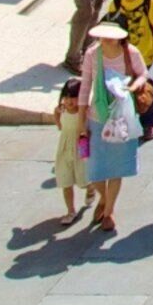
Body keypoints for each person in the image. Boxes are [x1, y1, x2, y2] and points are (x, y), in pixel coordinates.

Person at [81, 18, 143, 232]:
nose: (105, 40)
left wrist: (134, 87)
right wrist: (82, 120)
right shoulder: (92, 54)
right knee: (94, 170)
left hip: (122, 116)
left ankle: (109, 211)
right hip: (97, 116)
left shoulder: (131, 53)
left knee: (116, 168)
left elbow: (143, 73)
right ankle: (105, 199)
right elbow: (85, 85)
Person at [49, 66, 91, 227]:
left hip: (80, 148)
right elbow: (56, 114)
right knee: (65, 180)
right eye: (66, 97)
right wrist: (59, 124)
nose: (69, 101)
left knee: (83, 178)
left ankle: (91, 189)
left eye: (73, 97)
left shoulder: (84, 111)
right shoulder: (62, 109)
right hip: (64, 148)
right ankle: (70, 210)